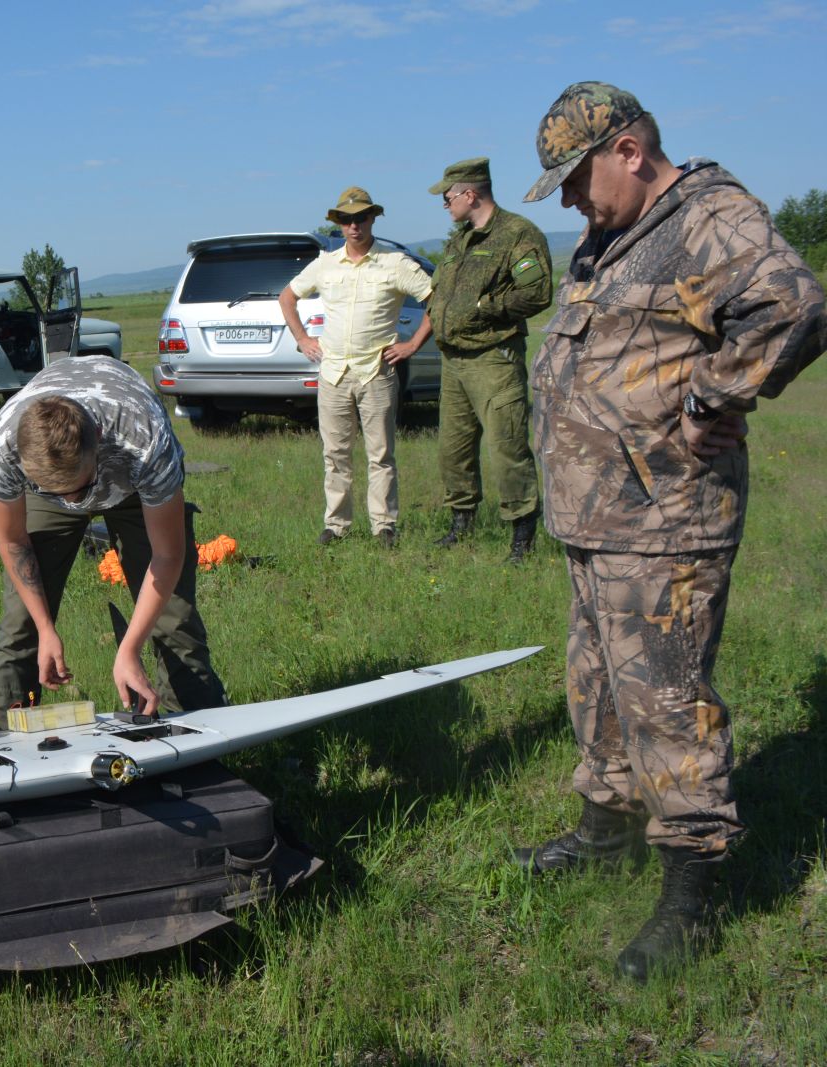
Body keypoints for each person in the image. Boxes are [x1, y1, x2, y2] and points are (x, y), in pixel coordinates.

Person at [513, 82, 825, 981]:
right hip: (597, 517)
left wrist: (710, 397)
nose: (569, 198)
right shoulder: (614, 233)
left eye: (575, 179)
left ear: (630, 152)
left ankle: (693, 892)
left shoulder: (709, 217)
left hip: (664, 522)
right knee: (599, 689)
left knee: (668, 702)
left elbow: (795, 304)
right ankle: (603, 831)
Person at [0, 355, 228, 721]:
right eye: (57, 494)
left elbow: (167, 556)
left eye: (80, 490)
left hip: (129, 484)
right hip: (66, 475)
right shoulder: (0, 450)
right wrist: (46, 629)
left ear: (98, 438)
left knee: (174, 618)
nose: (72, 504)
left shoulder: (144, 439)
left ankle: (198, 726)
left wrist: (128, 649)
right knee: (21, 624)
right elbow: (14, 541)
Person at [279, 187, 434, 547]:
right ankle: (336, 525)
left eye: (360, 218)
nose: (354, 226)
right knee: (335, 454)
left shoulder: (394, 263)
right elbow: (287, 296)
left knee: (380, 454)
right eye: (347, 220)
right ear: (339, 224)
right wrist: (303, 338)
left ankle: (384, 526)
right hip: (333, 373)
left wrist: (412, 344)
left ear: (372, 219)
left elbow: (435, 299)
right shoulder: (326, 264)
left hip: (376, 372)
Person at [425, 157, 552, 562]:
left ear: (469, 193)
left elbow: (537, 293)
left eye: (448, 198)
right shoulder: (459, 239)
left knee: (507, 448)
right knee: (454, 449)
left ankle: (522, 535)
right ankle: (461, 525)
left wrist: (487, 305)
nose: (445, 205)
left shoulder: (518, 234)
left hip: (493, 359)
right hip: (454, 360)